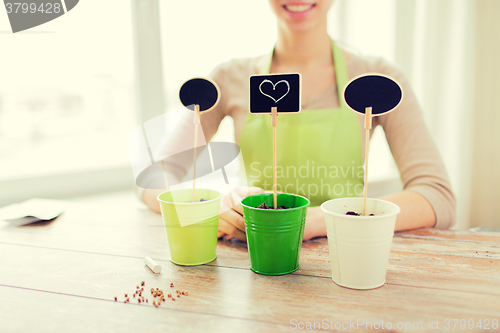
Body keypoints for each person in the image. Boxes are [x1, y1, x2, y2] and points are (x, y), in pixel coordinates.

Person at [139, 0, 456, 241]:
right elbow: (153, 178)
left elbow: (436, 197)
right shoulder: (228, 78)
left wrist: (311, 221)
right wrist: (209, 208)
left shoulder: (377, 80)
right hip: (254, 257)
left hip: (351, 253)